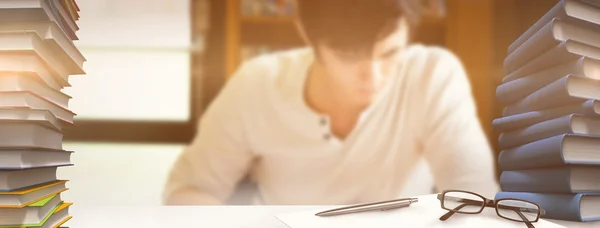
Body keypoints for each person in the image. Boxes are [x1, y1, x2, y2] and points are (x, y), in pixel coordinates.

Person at [163, 0, 499, 205]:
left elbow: (477, 199)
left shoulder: (432, 74)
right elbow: (187, 191)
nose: (374, 78)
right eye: (348, 57)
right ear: (308, 35)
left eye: (389, 53)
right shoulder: (257, 84)